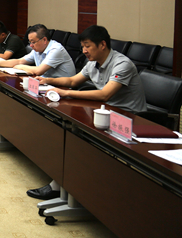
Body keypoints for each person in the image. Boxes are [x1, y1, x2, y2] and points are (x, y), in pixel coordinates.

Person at [26, 25, 146, 201]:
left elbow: (105, 94)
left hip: (128, 119)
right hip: (105, 112)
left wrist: (65, 92)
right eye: (82, 46)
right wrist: (48, 80)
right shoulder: (92, 63)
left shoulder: (122, 64)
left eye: (87, 46)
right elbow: (73, 81)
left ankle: (64, 187)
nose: (84, 51)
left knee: (75, 138)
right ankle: (66, 183)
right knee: (64, 128)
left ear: (102, 44)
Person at [0, 24, 76, 78]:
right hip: (46, 82)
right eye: (30, 42)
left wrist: (21, 67)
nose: (31, 45)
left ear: (44, 40)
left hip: (63, 88)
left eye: (33, 42)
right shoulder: (37, 49)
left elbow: (39, 71)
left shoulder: (55, 49)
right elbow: (19, 61)